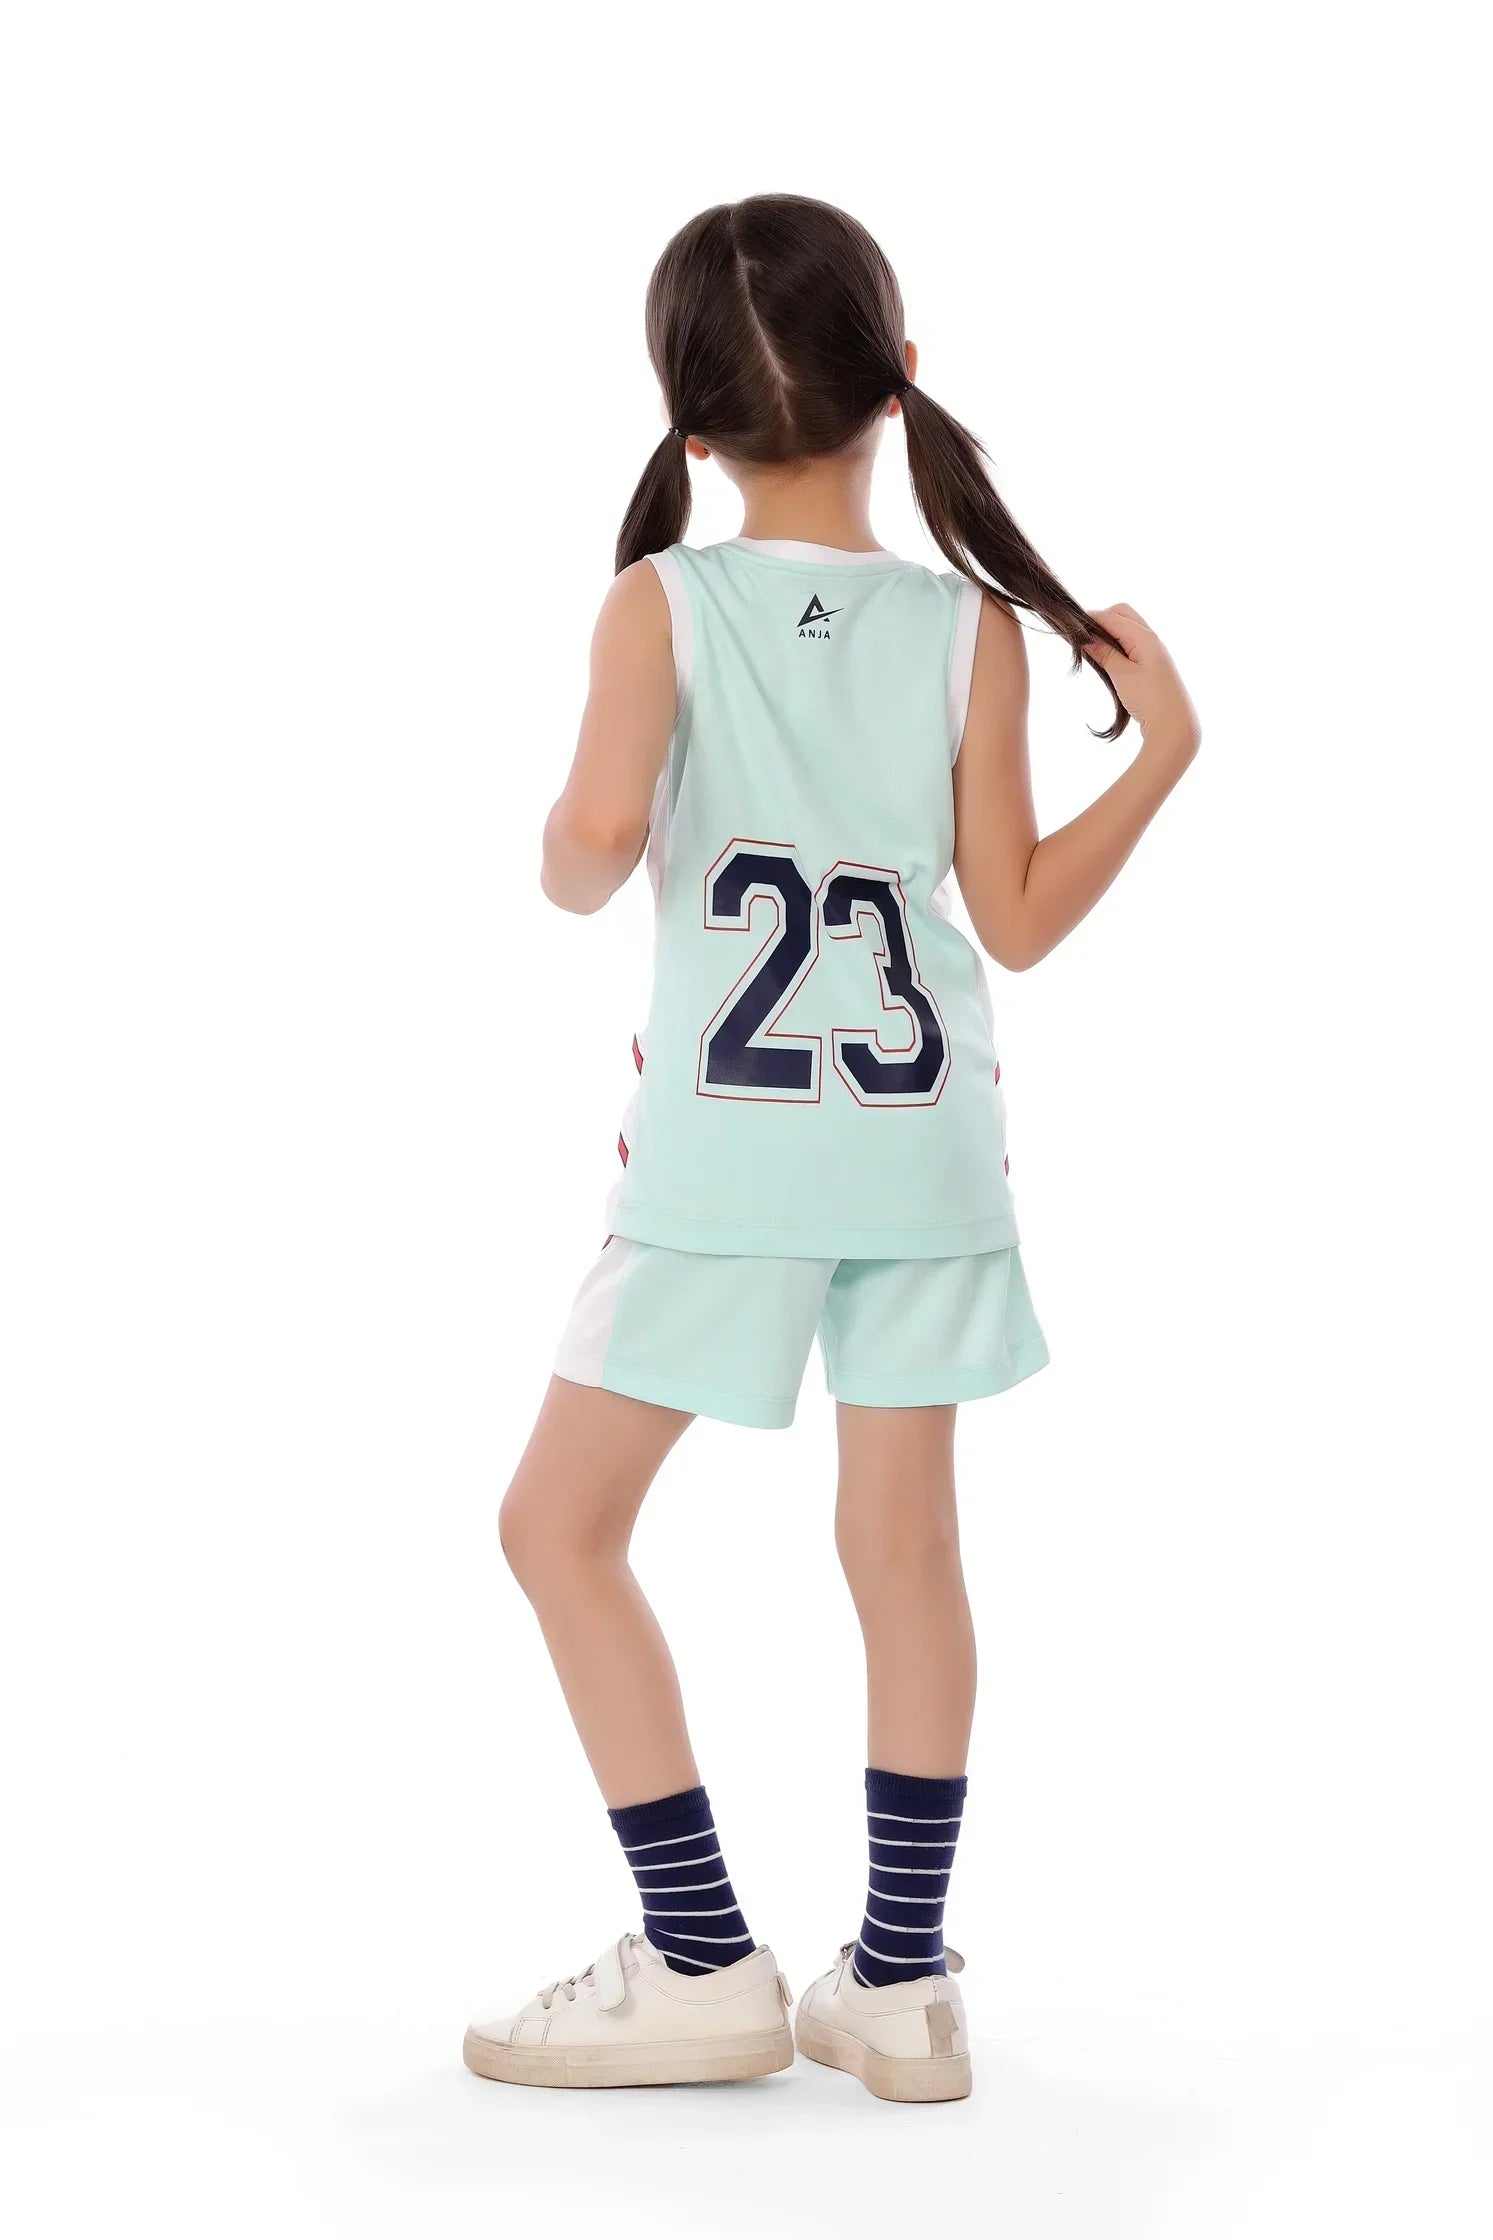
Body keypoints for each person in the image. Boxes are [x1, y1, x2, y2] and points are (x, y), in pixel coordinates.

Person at [463, 195, 1200, 2102]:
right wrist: (1161, 759)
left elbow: (586, 854)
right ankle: (900, 1979)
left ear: (686, 424)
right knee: (905, 1546)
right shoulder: (968, 631)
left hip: (727, 1167)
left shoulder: (660, 602)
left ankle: (701, 1954)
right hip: (925, 1157)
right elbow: (1014, 920)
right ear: (898, 382)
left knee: (557, 1528)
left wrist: (570, 838)